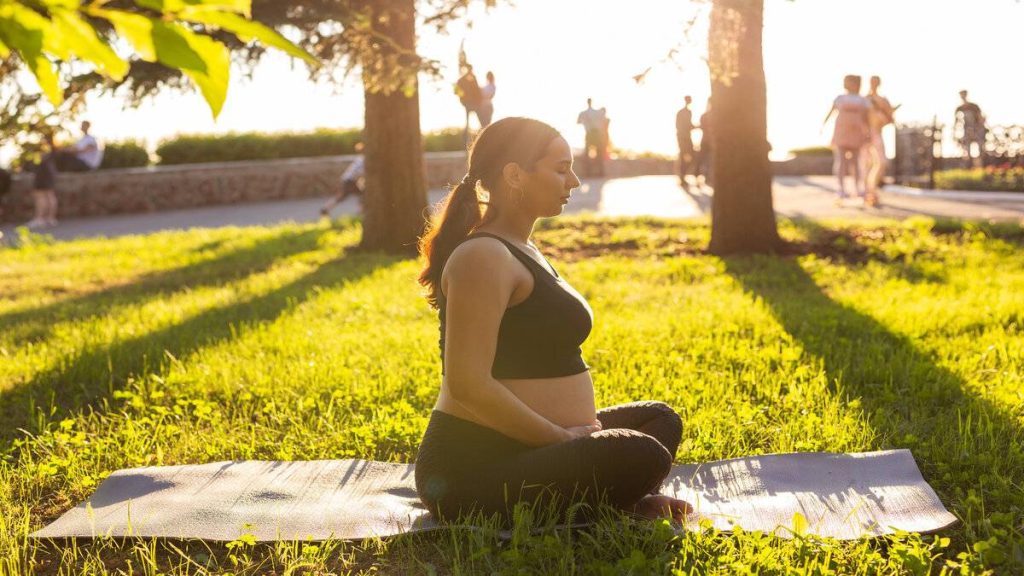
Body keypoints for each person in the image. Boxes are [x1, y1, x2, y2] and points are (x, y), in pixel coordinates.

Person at [414, 117, 690, 525]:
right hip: (471, 467)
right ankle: (619, 499)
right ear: (514, 175)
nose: (575, 181)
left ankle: (613, 497)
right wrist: (562, 439)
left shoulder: (522, 248)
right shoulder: (483, 257)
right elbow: (467, 385)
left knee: (659, 420)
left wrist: (571, 437)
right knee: (642, 453)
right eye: (561, 169)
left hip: (535, 448)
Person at [28, 121, 103, 228]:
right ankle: (50, 219)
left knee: (42, 195)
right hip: (51, 171)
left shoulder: (90, 139)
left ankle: (40, 218)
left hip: (46, 171)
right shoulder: (82, 139)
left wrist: (68, 150)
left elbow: (81, 150)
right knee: (49, 194)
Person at [823, 75, 870, 202]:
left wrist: (868, 133)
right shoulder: (840, 98)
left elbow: (866, 118)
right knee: (841, 161)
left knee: (855, 162)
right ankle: (841, 189)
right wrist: (823, 125)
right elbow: (831, 112)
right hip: (841, 131)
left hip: (857, 132)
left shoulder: (862, 100)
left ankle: (857, 188)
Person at [864, 76, 896, 207]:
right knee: (866, 164)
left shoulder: (883, 100)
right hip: (864, 136)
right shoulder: (864, 99)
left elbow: (890, 119)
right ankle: (868, 194)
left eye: (876, 82)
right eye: (872, 81)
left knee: (881, 163)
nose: (874, 84)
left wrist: (881, 113)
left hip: (877, 134)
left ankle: (872, 190)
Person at [320, 142, 365, 218]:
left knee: (359, 195)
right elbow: (361, 173)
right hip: (350, 180)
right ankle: (325, 209)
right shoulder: (364, 159)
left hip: (348, 179)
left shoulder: (360, 158)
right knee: (360, 195)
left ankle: (325, 209)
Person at [954, 90, 986, 169]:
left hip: (977, 129)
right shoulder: (959, 108)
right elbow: (956, 121)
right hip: (966, 130)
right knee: (966, 148)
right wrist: (955, 132)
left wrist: (978, 128)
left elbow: (980, 118)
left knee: (980, 148)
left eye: (964, 94)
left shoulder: (974, 106)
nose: (963, 96)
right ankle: (969, 166)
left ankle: (981, 166)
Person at [576, 99, 608, 177]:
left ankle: (588, 173)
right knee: (599, 153)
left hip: (590, 134)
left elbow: (578, 122)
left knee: (588, 153)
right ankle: (600, 172)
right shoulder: (597, 113)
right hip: (596, 134)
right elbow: (604, 120)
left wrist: (586, 121)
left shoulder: (584, 113)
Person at [675, 96, 696, 187]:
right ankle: (681, 177)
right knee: (684, 156)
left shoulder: (688, 112)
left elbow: (688, 125)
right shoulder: (682, 112)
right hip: (683, 137)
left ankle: (682, 176)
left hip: (686, 137)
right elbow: (679, 125)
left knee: (689, 156)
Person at [696, 99, 713, 187]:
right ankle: (701, 176)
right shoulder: (706, 115)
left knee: (707, 159)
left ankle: (706, 176)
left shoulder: (706, 115)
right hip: (707, 141)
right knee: (703, 159)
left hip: (708, 141)